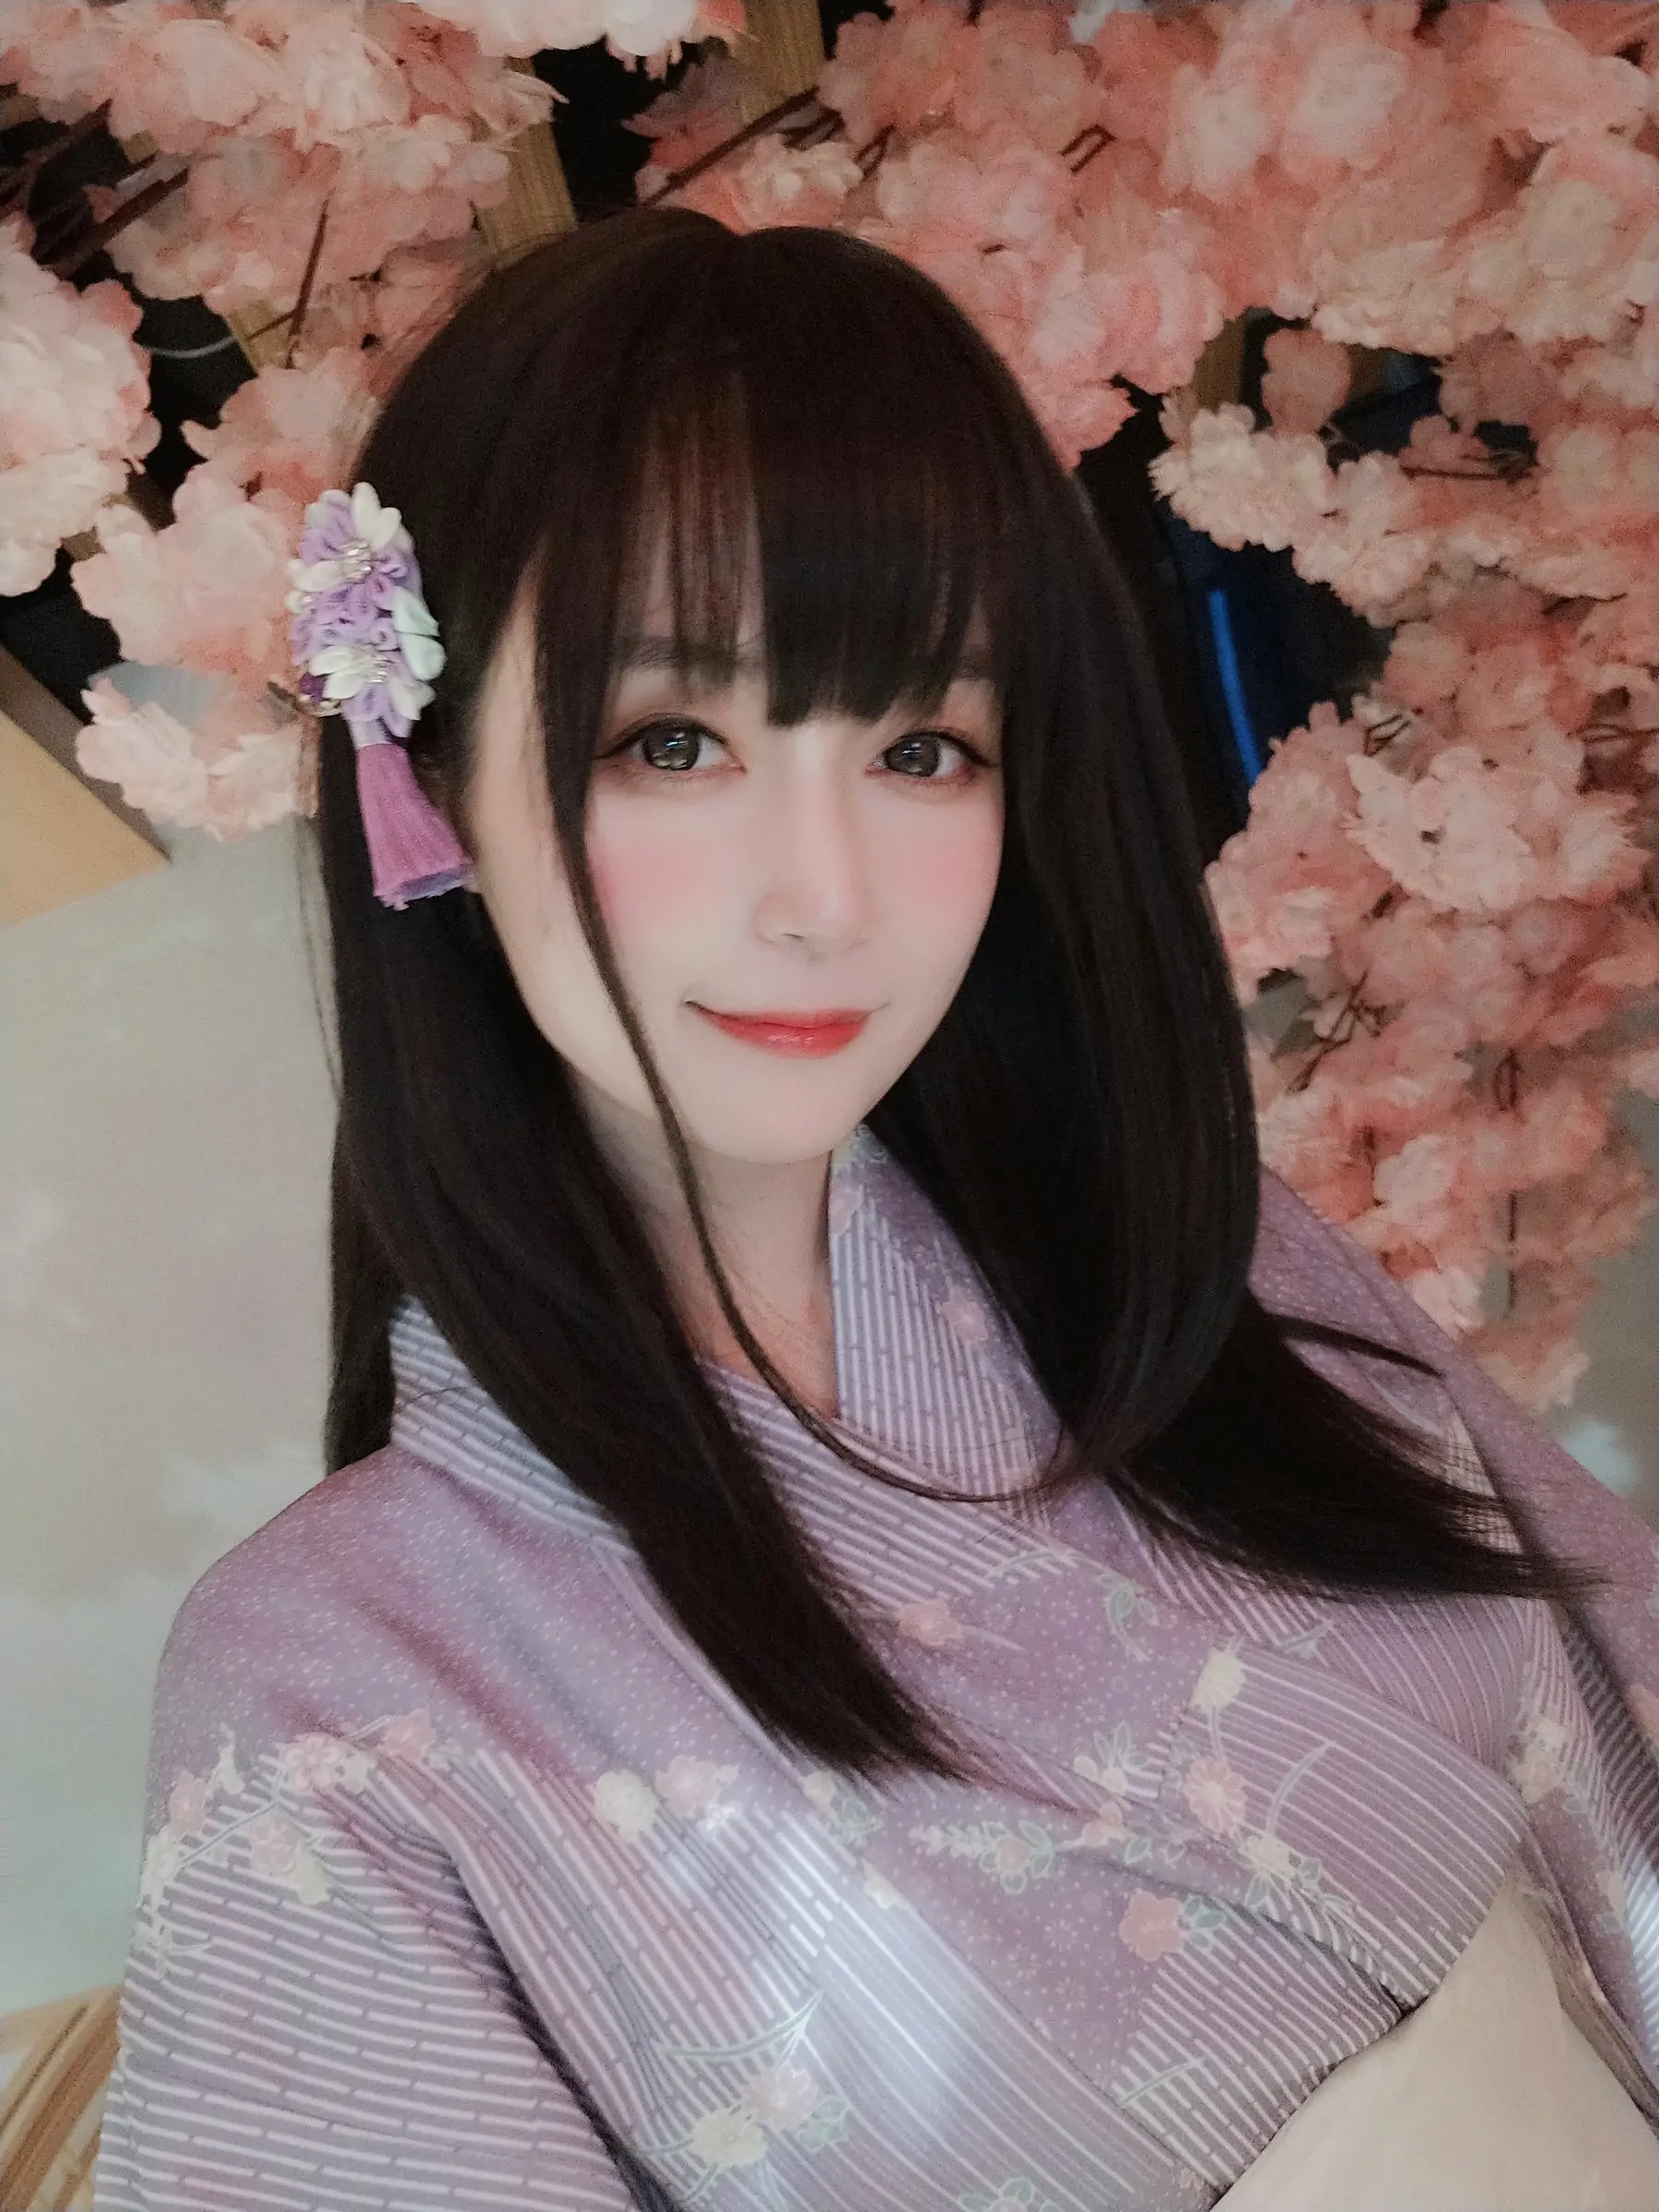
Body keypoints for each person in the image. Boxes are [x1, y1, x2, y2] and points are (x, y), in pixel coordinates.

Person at [93, 210, 1659, 2211]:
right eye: (672, 742)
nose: (824, 895)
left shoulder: (1212, 1269)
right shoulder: (340, 1686)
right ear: (428, 781)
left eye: (924, 746)